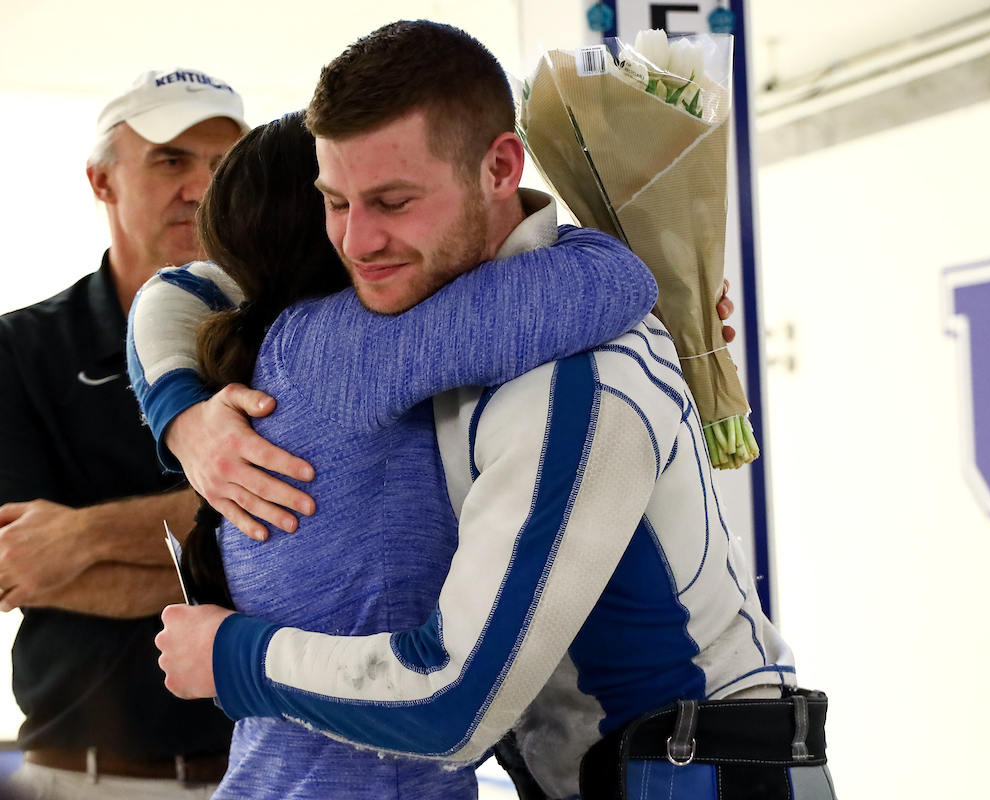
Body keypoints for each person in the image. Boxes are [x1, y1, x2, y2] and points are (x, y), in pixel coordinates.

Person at [144, 21, 829, 800]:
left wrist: (235, 658)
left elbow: (453, 703)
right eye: (335, 203)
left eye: (393, 201)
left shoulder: (570, 375)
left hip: (693, 777)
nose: (358, 241)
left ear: (501, 167)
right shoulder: (419, 329)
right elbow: (194, 285)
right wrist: (184, 418)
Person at [136, 109, 656, 799]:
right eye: (355, 200)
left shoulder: (286, 352)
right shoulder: (348, 349)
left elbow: (172, 286)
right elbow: (611, 281)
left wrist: (176, 410)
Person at [0, 70, 246, 797]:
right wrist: (232, 549)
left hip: (264, 769)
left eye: (221, 166)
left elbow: (304, 518)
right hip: (82, 778)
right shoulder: (21, 350)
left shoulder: (282, 337)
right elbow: (16, 565)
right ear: (101, 181)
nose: (201, 188)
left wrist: (79, 540)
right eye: (171, 159)